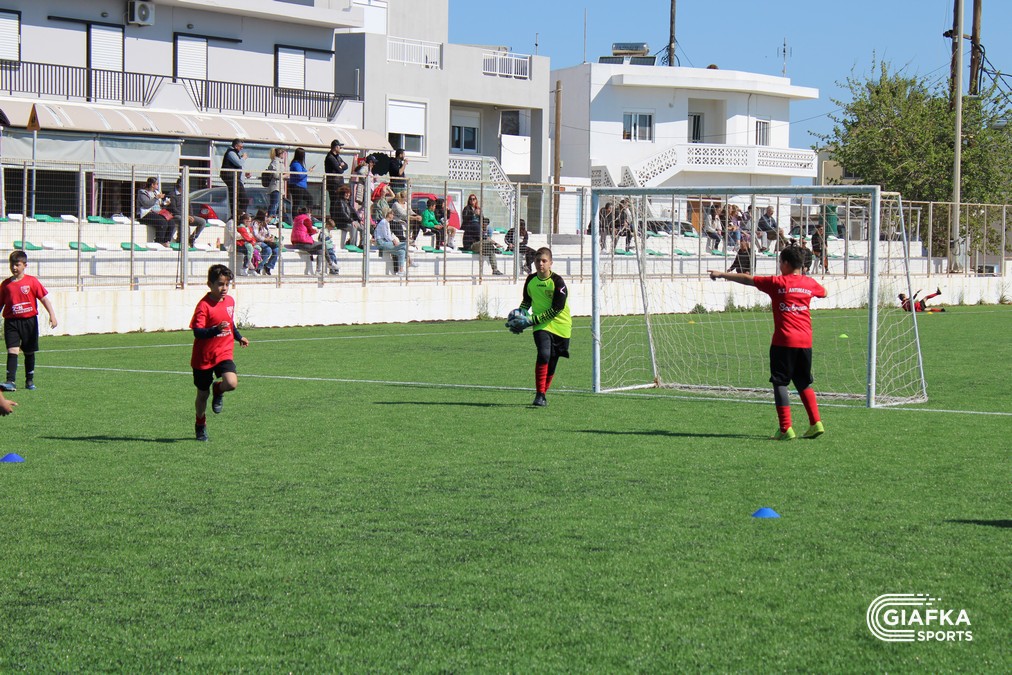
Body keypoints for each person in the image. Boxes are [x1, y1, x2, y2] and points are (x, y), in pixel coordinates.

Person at [709, 246, 827, 440]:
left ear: (786, 263)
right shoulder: (809, 283)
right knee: (803, 382)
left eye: (780, 262)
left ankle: (785, 429)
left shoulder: (777, 282)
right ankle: (816, 423)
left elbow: (747, 279)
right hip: (806, 341)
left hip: (784, 340)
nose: (779, 266)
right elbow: (824, 292)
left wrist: (722, 274)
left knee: (780, 382)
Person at [190, 264, 249, 442]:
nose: (224, 288)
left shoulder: (229, 301)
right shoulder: (203, 306)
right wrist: (215, 330)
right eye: (220, 284)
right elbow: (197, 332)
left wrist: (238, 336)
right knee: (202, 395)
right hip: (204, 357)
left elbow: (229, 322)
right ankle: (200, 423)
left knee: (231, 383)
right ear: (210, 284)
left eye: (227, 284)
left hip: (224, 352)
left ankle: (218, 388)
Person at [517, 247, 572, 407]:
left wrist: (531, 320)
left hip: (561, 325)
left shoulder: (558, 282)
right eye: (537, 261)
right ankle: (539, 395)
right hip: (541, 325)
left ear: (550, 263)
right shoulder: (530, 280)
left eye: (544, 261)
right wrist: (519, 314)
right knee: (544, 354)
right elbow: (526, 301)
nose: (540, 264)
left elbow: (557, 309)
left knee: (553, 361)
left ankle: (543, 394)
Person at [0, 250, 58, 392]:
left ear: (25, 265)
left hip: (29, 322)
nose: (14, 267)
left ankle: (29, 380)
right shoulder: (6, 284)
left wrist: (52, 315)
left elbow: (44, 299)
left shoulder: (32, 281)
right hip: (11, 322)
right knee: (12, 350)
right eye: (12, 265)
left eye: (17, 265)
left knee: (29, 351)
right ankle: (10, 381)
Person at [166, 178, 206, 247]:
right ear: (180, 185)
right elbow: (173, 209)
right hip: (176, 215)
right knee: (183, 220)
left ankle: (191, 238)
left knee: (202, 222)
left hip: (186, 215)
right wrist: (185, 216)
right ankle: (181, 240)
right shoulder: (172, 195)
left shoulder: (185, 195)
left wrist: (191, 216)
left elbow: (189, 206)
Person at [137, 177, 175, 245]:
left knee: (171, 221)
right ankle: (159, 241)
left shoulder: (156, 192)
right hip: (146, 213)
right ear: (152, 185)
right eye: (157, 184)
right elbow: (146, 204)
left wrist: (165, 203)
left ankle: (166, 241)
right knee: (162, 222)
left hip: (158, 212)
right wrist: (156, 198)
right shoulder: (142, 193)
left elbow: (159, 204)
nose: (158, 185)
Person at [220, 138, 249, 222]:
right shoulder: (231, 153)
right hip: (231, 178)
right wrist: (244, 158)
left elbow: (238, 166)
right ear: (236, 146)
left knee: (238, 199)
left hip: (235, 178)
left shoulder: (235, 153)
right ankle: (237, 217)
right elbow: (239, 163)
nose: (242, 148)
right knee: (240, 199)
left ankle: (238, 216)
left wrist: (244, 173)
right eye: (241, 147)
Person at [373, 208, 409, 274]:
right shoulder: (383, 222)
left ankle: (400, 270)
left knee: (402, 252)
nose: (393, 216)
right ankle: (410, 261)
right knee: (405, 245)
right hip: (381, 242)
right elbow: (386, 235)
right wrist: (393, 241)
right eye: (392, 214)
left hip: (386, 242)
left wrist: (393, 240)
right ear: (388, 214)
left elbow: (389, 235)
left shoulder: (387, 223)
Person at [324, 140, 348, 220]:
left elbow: (346, 166)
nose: (340, 148)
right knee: (334, 201)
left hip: (339, 183)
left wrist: (341, 166)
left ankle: (338, 218)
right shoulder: (330, 157)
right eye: (339, 147)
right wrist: (340, 167)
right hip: (333, 183)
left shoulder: (337, 157)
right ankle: (333, 219)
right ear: (336, 147)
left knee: (339, 202)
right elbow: (339, 170)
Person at [252, 210, 279, 275]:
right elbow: (256, 235)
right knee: (268, 250)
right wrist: (265, 239)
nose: (266, 218)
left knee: (276, 250)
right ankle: (259, 267)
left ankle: (268, 266)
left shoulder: (264, 223)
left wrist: (271, 238)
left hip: (266, 241)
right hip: (257, 241)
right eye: (265, 216)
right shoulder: (255, 223)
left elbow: (268, 233)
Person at [288, 147, 314, 213]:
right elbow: (299, 175)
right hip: (297, 186)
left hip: (300, 186)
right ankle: (296, 217)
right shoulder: (296, 164)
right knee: (296, 204)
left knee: (309, 199)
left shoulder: (298, 164)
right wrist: (308, 172)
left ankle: (306, 213)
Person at [266, 147, 287, 222]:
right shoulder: (275, 162)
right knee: (274, 204)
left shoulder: (280, 162)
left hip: (279, 186)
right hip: (275, 186)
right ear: (280, 154)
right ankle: (270, 219)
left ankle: (273, 219)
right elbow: (276, 175)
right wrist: (285, 175)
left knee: (277, 204)